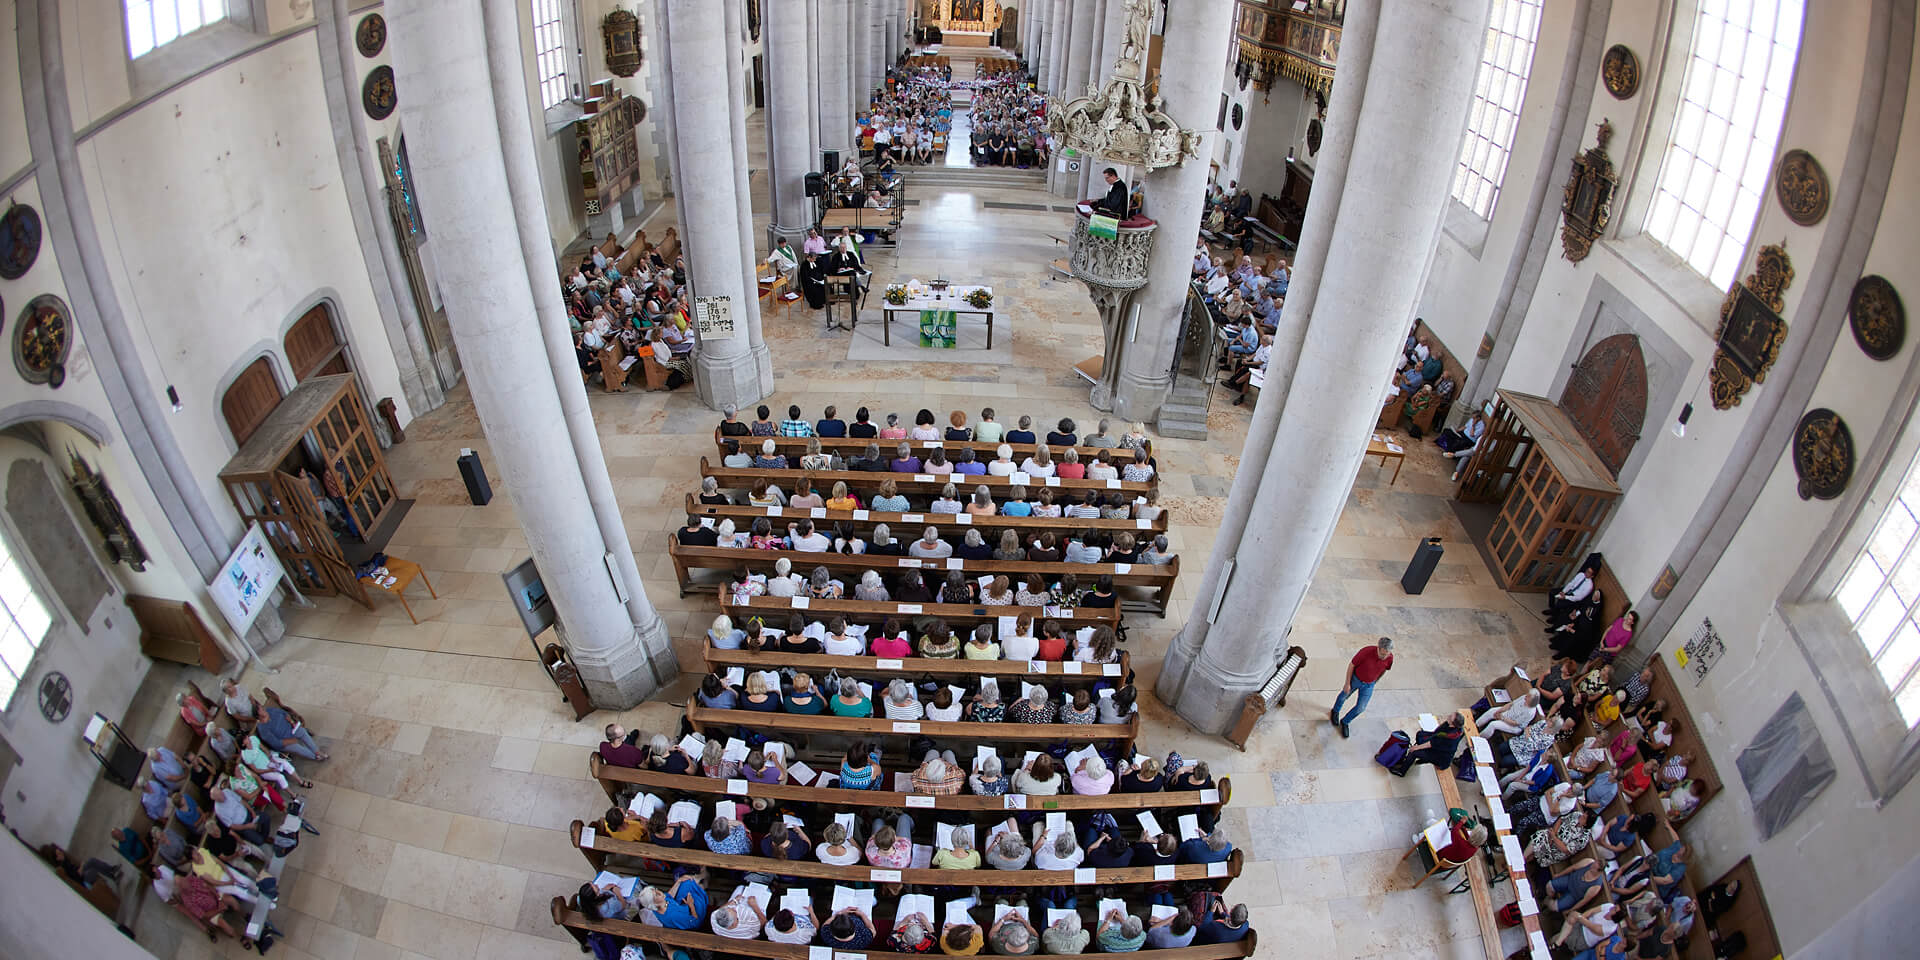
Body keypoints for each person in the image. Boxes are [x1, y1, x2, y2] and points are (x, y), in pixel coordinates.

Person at [1330, 637, 1394, 737]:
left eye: (1387, 654)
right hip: (1356, 679)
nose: (1384, 657)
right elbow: (1351, 665)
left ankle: (1345, 721)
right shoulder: (1366, 652)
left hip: (1369, 684)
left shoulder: (1389, 657)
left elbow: (1385, 669)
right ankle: (1335, 711)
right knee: (1344, 696)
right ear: (1378, 648)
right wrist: (1347, 683)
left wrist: (1375, 681)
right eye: (1382, 654)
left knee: (1361, 707)